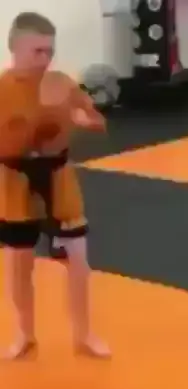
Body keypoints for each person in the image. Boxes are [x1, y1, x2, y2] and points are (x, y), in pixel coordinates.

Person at [0, 12, 110, 359]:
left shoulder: (62, 83)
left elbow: (99, 121)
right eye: (37, 51)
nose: (45, 58)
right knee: (19, 264)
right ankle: (24, 334)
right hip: (15, 183)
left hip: (59, 180)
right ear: (15, 48)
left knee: (78, 261)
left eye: (50, 50)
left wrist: (84, 119)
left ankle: (84, 334)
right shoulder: (2, 89)